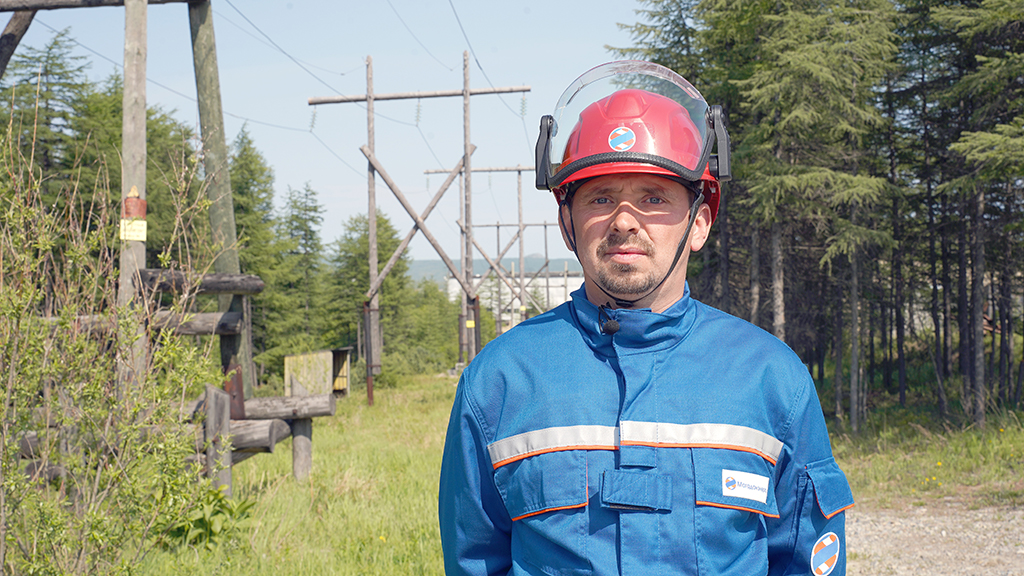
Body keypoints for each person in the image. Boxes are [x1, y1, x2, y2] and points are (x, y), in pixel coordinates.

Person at [439, 60, 854, 576]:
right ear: (568, 224)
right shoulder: (499, 382)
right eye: (600, 197)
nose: (624, 221)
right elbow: (474, 562)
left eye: (653, 197)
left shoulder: (771, 378)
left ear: (699, 222)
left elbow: (806, 559)